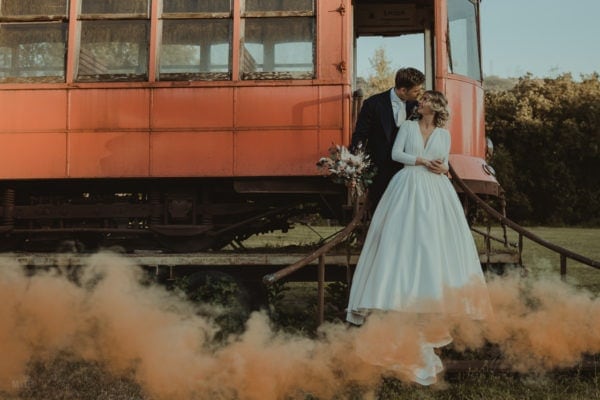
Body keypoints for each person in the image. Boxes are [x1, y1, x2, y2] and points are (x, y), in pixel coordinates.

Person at [346, 90, 492, 385]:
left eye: (425, 100)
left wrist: (439, 167)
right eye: (420, 99)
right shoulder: (408, 127)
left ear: (435, 107)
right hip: (408, 182)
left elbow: (445, 160)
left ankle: (432, 293)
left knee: (433, 240)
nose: (419, 102)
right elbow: (395, 154)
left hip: (435, 188)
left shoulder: (444, 133)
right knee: (401, 240)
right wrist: (423, 161)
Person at [352, 67, 444, 213]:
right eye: (416, 91)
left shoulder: (417, 107)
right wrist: (356, 163)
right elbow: (360, 135)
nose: (419, 94)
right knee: (381, 212)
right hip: (380, 170)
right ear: (402, 90)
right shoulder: (373, 104)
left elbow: (429, 133)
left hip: (409, 171)